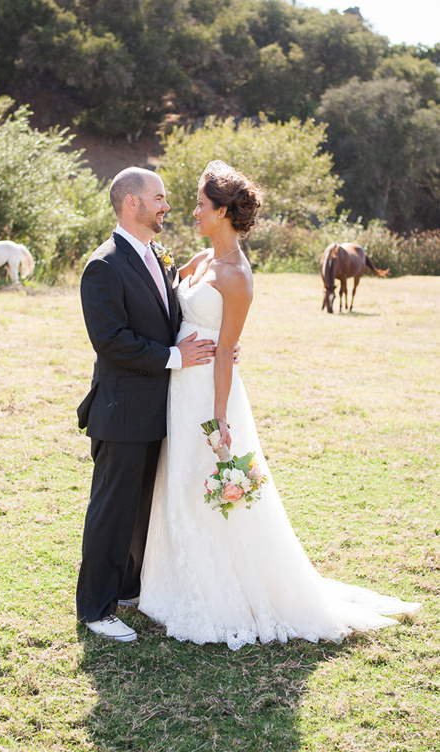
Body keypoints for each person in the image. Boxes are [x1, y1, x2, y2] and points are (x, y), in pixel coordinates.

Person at [139, 160, 420, 649]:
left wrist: (220, 418)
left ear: (224, 211)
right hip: (180, 384)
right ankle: (180, 578)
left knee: (210, 476)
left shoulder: (237, 276)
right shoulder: (202, 260)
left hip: (208, 391)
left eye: (201, 206)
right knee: (182, 476)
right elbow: (170, 282)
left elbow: (226, 350)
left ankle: (223, 589)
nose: (194, 212)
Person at [76, 166, 217, 642]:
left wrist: (211, 343)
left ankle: (129, 590)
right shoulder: (104, 265)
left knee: (142, 508)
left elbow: (166, 316)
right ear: (131, 203)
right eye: (159, 198)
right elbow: (112, 341)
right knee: (112, 510)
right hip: (121, 411)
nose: (167, 206)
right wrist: (178, 356)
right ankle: (96, 609)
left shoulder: (155, 254)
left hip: (159, 409)